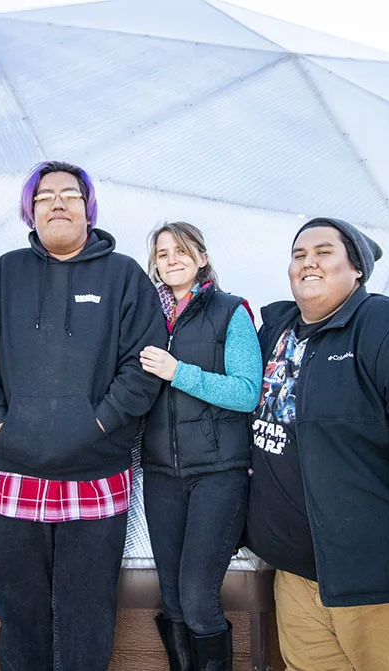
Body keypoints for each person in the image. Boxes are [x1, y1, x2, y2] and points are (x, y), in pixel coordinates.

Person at [245, 217, 389, 671]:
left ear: (357, 269)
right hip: (297, 576)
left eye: (324, 252)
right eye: (299, 255)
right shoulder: (274, 333)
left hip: (384, 586)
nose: (308, 262)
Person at [0, 160, 167, 670]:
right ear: (30, 211)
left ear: (88, 208)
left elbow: (142, 366)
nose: (57, 202)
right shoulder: (4, 274)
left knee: (88, 614)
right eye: (45, 195)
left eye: (70, 195)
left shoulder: (124, 276)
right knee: (19, 612)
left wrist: (97, 425)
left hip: (96, 478)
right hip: (14, 473)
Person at [139, 222, 261, 671]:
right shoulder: (146, 317)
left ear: (202, 257)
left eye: (181, 250)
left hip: (218, 472)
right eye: (162, 252)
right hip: (161, 474)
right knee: (171, 598)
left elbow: (247, 391)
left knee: (196, 595)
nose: (171, 259)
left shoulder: (232, 312)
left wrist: (179, 372)